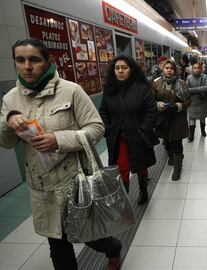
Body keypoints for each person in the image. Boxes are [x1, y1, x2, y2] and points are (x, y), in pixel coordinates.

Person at [0, 38, 122, 270]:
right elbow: (6, 143)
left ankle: (113, 248)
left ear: (48, 61)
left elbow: (97, 128)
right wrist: (7, 121)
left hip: (75, 181)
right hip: (42, 186)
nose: (27, 66)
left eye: (34, 59)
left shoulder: (71, 91)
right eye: (20, 60)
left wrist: (58, 139)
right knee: (57, 242)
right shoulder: (10, 99)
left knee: (89, 235)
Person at [99, 55, 157, 205]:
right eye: (117, 68)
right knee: (121, 168)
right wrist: (108, 128)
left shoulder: (142, 88)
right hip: (118, 137)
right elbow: (103, 111)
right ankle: (124, 201)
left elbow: (151, 111)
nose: (120, 71)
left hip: (138, 136)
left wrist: (143, 128)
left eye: (124, 68)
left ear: (131, 70)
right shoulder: (109, 90)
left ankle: (143, 190)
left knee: (141, 166)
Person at [152, 60, 191, 180]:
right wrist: (158, 105)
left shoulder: (181, 83)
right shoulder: (156, 83)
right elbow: (150, 101)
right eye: (166, 68)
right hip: (163, 119)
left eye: (171, 68)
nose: (169, 70)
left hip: (178, 118)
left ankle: (177, 168)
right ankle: (171, 157)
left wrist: (178, 106)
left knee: (177, 142)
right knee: (167, 141)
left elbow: (188, 101)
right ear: (162, 69)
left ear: (175, 70)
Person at [186, 62, 207, 142]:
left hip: (202, 101)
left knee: (202, 117)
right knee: (192, 118)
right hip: (192, 102)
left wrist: (194, 90)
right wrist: (200, 89)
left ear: (201, 69)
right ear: (192, 69)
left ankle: (203, 130)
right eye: (195, 68)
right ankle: (191, 135)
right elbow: (186, 89)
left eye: (198, 68)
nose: (197, 70)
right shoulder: (189, 78)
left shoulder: (204, 77)